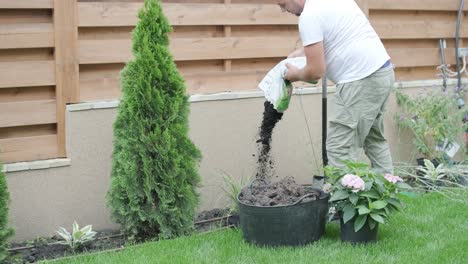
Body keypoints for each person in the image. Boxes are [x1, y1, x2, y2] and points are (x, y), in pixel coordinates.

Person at [279, 0, 395, 174]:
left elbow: (315, 72)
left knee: (339, 148)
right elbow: (334, 34)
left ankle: (343, 200)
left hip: (359, 81)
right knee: (374, 139)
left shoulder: (309, 16)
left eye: (282, 3)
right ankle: (388, 194)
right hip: (381, 73)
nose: (282, 9)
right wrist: (302, 53)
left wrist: (294, 75)